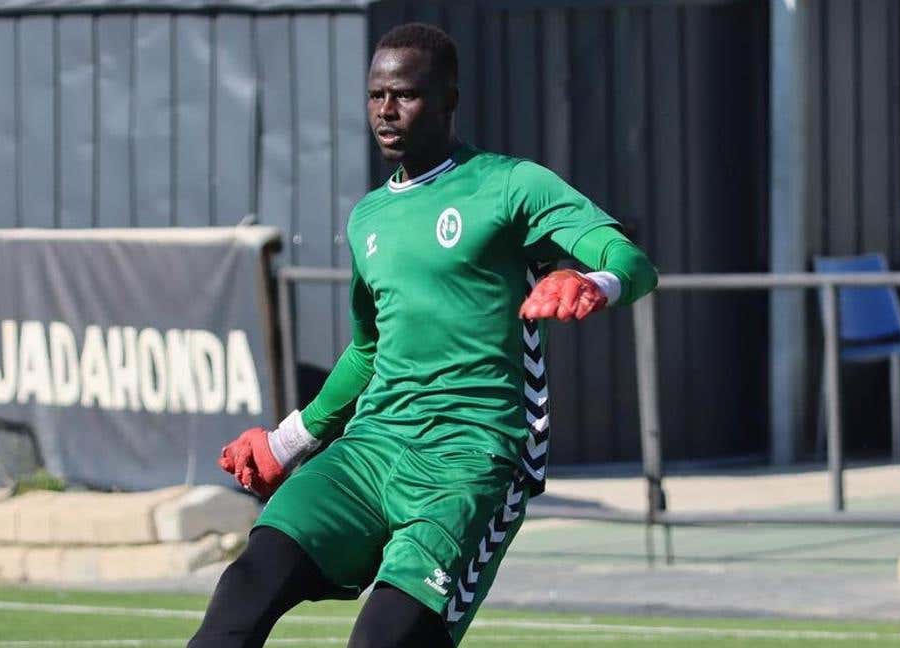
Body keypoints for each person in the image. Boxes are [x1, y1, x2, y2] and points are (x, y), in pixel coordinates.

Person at [189, 22, 658, 648]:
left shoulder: (511, 185)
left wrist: (595, 281)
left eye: (405, 95)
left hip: (471, 458)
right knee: (245, 588)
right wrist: (287, 441)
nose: (387, 110)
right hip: (370, 449)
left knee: (384, 640)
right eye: (376, 94)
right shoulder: (368, 218)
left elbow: (632, 261)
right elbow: (369, 351)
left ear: (447, 100)